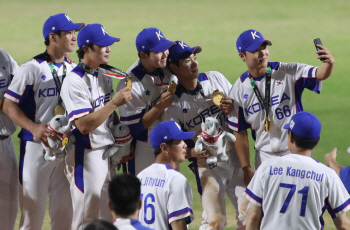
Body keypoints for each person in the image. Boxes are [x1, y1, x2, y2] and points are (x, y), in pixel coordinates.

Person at [3, 13, 84, 230]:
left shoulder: (71, 68)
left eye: (74, 31)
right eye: (68, 32)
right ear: (53, 37)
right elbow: (9, 105)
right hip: (36, 148)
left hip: (65, 148)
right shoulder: (31, 69)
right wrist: (33, 127)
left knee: (64, 216)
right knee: (32, 218)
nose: (74, 36)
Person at [228, 29, 335, 185]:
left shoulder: (288, 71)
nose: (262, 53)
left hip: (294, 152)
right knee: (266, 206)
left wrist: (329, 63)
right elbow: (239, 132)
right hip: (264, 157)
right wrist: (246, 168)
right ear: (242, 56)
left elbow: (319, 74)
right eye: (255, 50)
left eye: (264, 47)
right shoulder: (238, 89)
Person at [163, 41, 247, 230]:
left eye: (195, 58)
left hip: (234, 155)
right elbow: (174, 142)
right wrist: (193, 154)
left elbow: (240, 108)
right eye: (187, 60)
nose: (194, 63)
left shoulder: (215, 78)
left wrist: (232, 107)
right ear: (174, 67)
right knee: (215, 221)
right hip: (207, 164)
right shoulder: (173, 103)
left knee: (249, 215)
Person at [60, 23, 132, 230]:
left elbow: (108, 115)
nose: (108, 49)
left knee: (107, 217)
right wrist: (114, 103)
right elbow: (83, 125)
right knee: (86, 217)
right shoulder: (74, 81)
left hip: (107, 153)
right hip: (86, 153)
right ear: (86, 49)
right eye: (103, 46)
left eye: (109, 45)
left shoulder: (103, 74)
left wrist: (123, 142)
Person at [245, 111, 350, 230]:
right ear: (318, 140)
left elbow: (253, 217)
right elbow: (343, 225)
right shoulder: (328, 175)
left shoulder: (267, 167)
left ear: (290, 137)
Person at [117, 27, 175, 175]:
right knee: (142, 194)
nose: (165, 54)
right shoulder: (130, 84)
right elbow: (136, 129)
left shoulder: (167, 65)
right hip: (144, 148)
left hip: (170, 143)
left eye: (165, 48)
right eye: (158, 51)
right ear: (143, 55)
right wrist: (159, 106)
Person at [137, 120, 195, 230]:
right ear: (164, 148)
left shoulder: (139, 177)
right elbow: (178, 224)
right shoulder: (175, 179)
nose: (185, 145)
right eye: (179, 142)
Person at [0, 49, 18, 230]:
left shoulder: (4, 56)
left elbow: (25, 80)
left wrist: (56, 59)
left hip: (5, 141)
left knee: (10, 203)